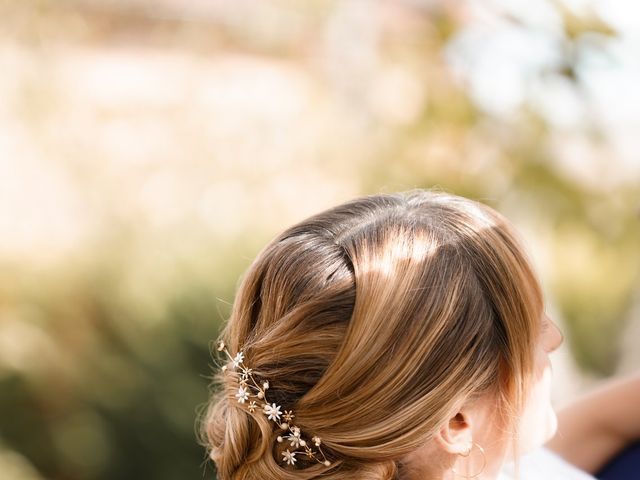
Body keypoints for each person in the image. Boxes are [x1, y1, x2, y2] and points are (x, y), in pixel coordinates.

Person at [199, 189, 639, 479]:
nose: (554, 339)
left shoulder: (488, 459)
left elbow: (595, 428)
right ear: (456, 421)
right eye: (531, 329)